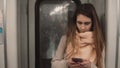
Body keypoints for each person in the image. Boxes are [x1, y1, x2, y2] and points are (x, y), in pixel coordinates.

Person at [51, 3, 105, 68]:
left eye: (87, 23)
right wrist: (67, 64)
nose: (82, 27)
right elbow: (54, 64)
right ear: (75, 22)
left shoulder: (98, 42)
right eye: (79, 23)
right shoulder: (66, 39)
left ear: (93, 23)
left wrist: (90, 66)